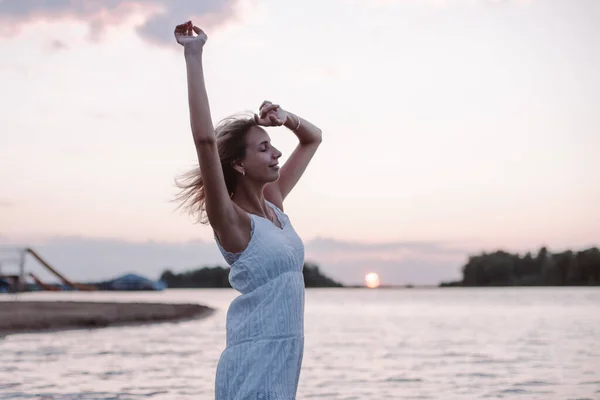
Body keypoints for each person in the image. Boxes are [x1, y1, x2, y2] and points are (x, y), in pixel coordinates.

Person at [173, 21, 322, 399]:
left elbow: (313, 138)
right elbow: (206, 141)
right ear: (238, 164)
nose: (276, 153)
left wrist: (284, 118)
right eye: (263, 148)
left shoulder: (274, 204)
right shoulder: (231, 220)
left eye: (272, 145)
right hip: (253, 356)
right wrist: (194, 54)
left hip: (285, 356)